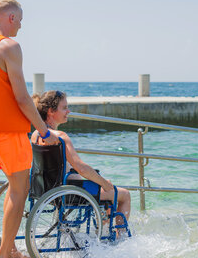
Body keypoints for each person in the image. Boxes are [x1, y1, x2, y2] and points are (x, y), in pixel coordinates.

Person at [0, 0, 58, 258]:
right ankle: (4, 256)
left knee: (15, 187)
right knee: (20, 190)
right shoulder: (10, 46)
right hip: (7, 128)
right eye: (19, 19)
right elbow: (22, 98)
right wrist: (44, 130)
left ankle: (11, 248)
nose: (21, 24)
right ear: (10, 18)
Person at [31, 91, 131, 231]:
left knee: (103, 186)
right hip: (68, 192)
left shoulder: (36, 134)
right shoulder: (60, 137)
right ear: (51, 112)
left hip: (46, 189)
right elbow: (81, 168)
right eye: (64, 108)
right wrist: (103, 183)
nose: (68, 111)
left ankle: (105, 230)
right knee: (124, 195)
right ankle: (118, 238)